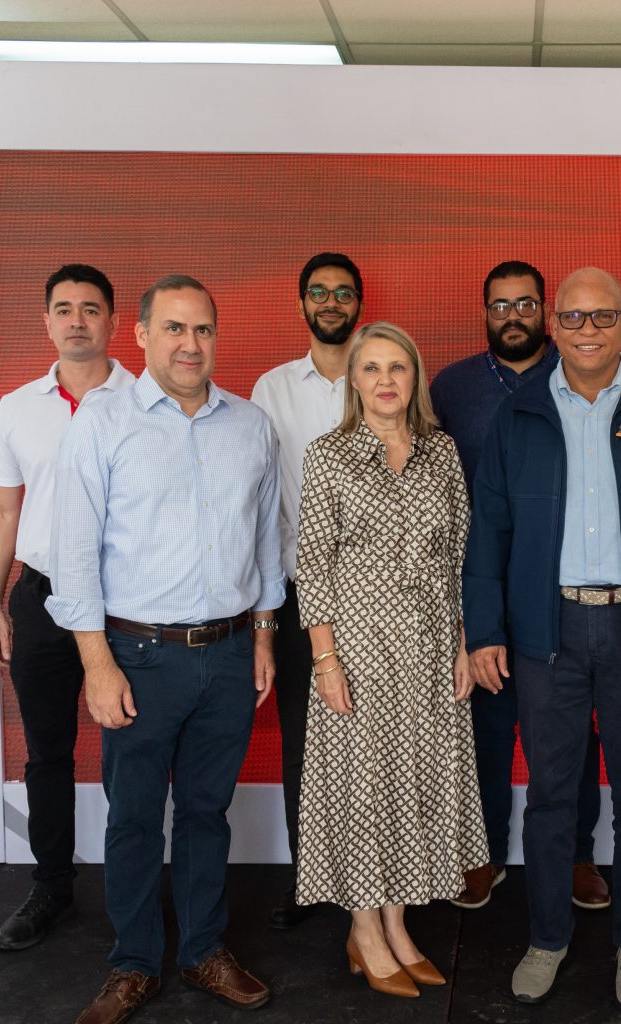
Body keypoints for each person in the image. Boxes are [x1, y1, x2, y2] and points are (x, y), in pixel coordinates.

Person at [465, 267, 621, 1012]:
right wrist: (484, 631)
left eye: (601, 317)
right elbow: (490, 537)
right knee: (549, 796)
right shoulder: (519, 418)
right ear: (554, 324)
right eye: (571, 318)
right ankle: (547, 936)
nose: (585, 331)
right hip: (548, 632)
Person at [49, 275, 281, 1024]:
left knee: (209, 813)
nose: (191, 344)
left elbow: (267, 539)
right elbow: (74, 550)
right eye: (175, 329)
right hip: (138, 657)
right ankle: (134, 964)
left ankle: (203, 951)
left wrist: (266, 635)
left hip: (230, 651)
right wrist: (95, 660)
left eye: (204, 330)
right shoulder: (102, 422)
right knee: (134, 818)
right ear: (141, 335)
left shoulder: (249, 425)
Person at [294, 321, 488, 1001]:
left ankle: (398, 928)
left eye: (397, 367)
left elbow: (462, 558)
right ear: (354, 382)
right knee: (364, 791)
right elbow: (312, 566)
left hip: (433, 650)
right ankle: (365, 931)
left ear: (415, 378)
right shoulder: (330, 456)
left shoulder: (441, 453)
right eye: (371, 368)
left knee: (418, 789)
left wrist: (464, 645)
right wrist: (325, 661)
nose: (384, 380)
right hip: (358, 653)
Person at [430, 259, 609, 914]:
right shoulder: (450, 389)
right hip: (478, 583)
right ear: (485, 313)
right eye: (500, 305)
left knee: (569, 733)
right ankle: (482, 853)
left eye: (526, 304)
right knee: (483, 725)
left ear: (547, 313)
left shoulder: (583, 381)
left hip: (565, 585)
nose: (513, 316)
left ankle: (576, 856)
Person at [0, 264, 136, 951]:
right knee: (48, 752)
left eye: (91, 308)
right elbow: (2, 508)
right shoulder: (16, 408)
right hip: (41, 600)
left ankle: (136, 897)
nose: (77, 320)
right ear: (46, 321)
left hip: (128, 602)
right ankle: (51, 888)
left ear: (111, 320)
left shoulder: (148, 400)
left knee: (134, 752)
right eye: (64, 309)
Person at [249, 251, 362, 930]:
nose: (330, 302)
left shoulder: (384, 375)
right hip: (300, 598)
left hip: (377, 599)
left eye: (342, 293)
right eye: (317, 292)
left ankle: (377, 879)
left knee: (373, 740)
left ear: (358, 304)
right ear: (301, 306)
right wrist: (265, 619)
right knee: (305, 745)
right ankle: (309, 878)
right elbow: (264, 507)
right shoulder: (273, 388)